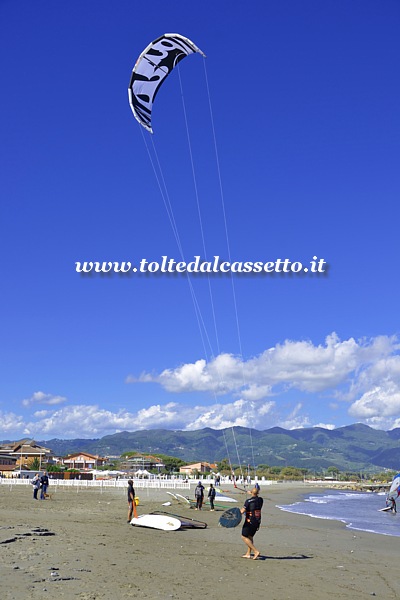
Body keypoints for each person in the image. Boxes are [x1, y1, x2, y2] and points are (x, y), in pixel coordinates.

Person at [240, 487, 263, 560]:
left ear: (251, 492)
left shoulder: (248, 501)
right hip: (257, 521)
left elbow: (242, 511)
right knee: (250, 537)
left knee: (244, 536)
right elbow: (255, 499)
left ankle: (256, 551)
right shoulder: (260, 500)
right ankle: (248, 554)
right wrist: (252, 494)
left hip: (250, 521)